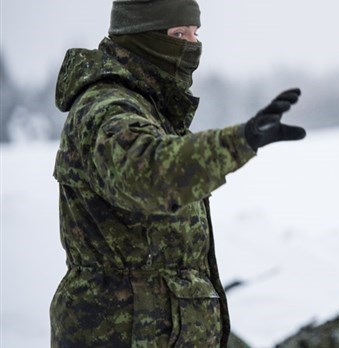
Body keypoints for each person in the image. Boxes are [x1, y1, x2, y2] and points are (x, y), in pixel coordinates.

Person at [49, 0, 305, 346]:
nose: (192, 45)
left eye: (196, 33)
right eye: (179, 34)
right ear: (141, 35)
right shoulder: (107, 108)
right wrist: (236, 142)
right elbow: (150, 172)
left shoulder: (152, 109)